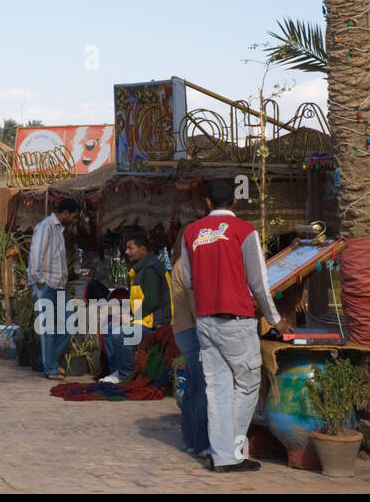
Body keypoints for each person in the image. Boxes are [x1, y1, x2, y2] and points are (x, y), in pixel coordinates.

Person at [180, 179, 293, 473]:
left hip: (205, 320)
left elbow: (188, 280)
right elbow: (258, 283)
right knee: (247, 383)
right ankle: (230, 452)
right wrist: (276, 320)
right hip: (237, 320)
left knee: (217, 389)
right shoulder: (245, 231)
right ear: (235, 199)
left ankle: (221, 455)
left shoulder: (190, 233)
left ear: (206, 201)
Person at [100, 228, 170, 384]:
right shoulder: (141, 269)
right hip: (145, 319)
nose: (126, 252)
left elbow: (151, 302)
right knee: (108, 329)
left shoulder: (150, 269)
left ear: (142, 250)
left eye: (130, 248)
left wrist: (131, 318)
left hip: (156, 323)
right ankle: (117, 372)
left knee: (119, 335)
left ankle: (126, 375)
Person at [27, 197, 81, 381]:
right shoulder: (46, 226)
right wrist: (40, 281)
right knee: (47, 327)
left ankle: (45, 360)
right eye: (73, 216)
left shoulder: (59, 230)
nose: (74, 220)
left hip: (58, 285)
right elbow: (36, 254)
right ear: (65, 213)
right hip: (45, 284)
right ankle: (50, 368)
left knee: (70, 322)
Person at [172, 248, 210, 458]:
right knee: (199, 389)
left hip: (183, 329)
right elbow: (195, 304)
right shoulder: (187, 264)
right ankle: (201, 443)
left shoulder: (180, 263)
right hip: (192, 329)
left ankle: (189, 440)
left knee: (192, 388)